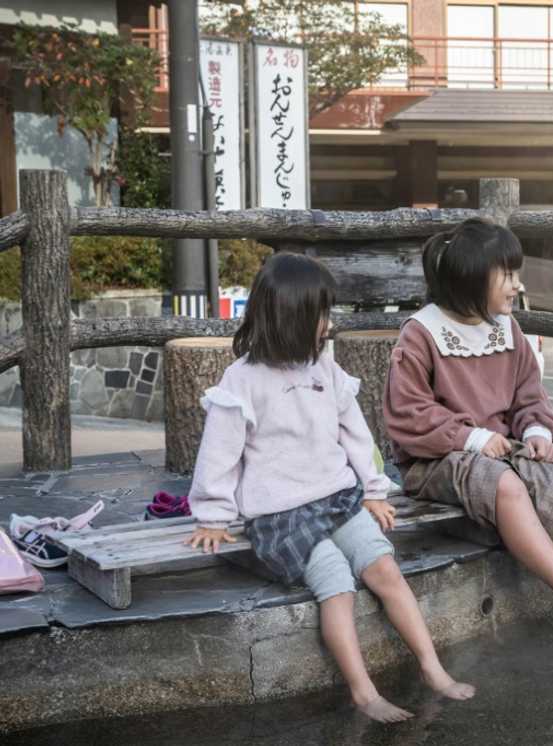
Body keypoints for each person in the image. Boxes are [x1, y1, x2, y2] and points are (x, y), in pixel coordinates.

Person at [184, 253, 474, 723]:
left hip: (336, 499)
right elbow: (219, 453)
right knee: (337, 584)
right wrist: (213, 515)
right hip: (281, 516)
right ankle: (364, 692)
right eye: (322, 312)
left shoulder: (325, 368)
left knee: (385, 568)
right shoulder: (242, 380)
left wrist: (374, 490)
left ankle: (432, 668)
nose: (329, 322)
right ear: (292, 317)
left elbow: (356, 435)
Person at [384, 218, 553, 643]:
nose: (517, 284)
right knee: (506, 483)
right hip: (434, 460)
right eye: (507, 274)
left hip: (499, 455)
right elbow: (408, 412)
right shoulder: (422, 333)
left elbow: (529, 395)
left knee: (550, 480)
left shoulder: (506, 329)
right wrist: (471, 438)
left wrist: (536, 433)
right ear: (473, 277)